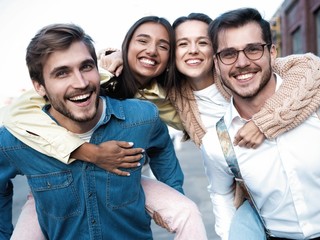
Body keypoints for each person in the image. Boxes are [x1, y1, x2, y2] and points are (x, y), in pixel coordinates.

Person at [4, 17, 208, 240]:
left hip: (124, 185)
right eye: (62, 73)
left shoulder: (149, 108)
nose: (80, 82)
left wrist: (173, 191)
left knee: (187, 211)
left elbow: (162, 143)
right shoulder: (107, 77)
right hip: (52, 189)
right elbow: (15, 115)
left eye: (163, 46)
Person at [203, 7, 320, 239]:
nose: (242, 62)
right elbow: (221, 195)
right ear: (217, 64)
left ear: (272, 52)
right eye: (228, 54)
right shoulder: (217, 142)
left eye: (253, 49)